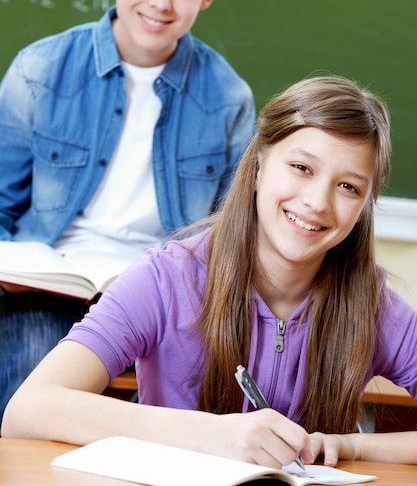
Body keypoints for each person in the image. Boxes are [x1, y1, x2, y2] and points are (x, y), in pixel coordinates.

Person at [4, 75, 417, 467]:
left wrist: (353, 446)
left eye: (349, 187)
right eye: (301, 168)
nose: (317, 202)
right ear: (258, 168)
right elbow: (28, 409)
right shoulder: (166, 279)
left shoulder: (374, 306)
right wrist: (211, 434)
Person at [0, 0, 255, 420]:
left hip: (164, 295)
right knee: (31, 359)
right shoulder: (38, 70)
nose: (161, 3)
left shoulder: (229, 98)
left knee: (188, 388)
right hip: (48, 285)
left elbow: (232, 233)